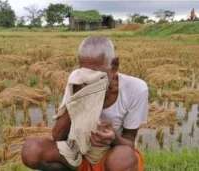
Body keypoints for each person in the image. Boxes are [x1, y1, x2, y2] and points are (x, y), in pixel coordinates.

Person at [21, 36, 148, 171]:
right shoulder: (78, 79)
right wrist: (78, 98)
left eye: (98, 75)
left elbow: (129, 142)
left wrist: (113, 138)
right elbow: (58, 136)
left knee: (122, 159)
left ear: (114, 65)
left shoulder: (136, 88)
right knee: (32, 151)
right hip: (79, 151)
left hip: (112, 153)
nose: (91, 79)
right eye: (87, 73)